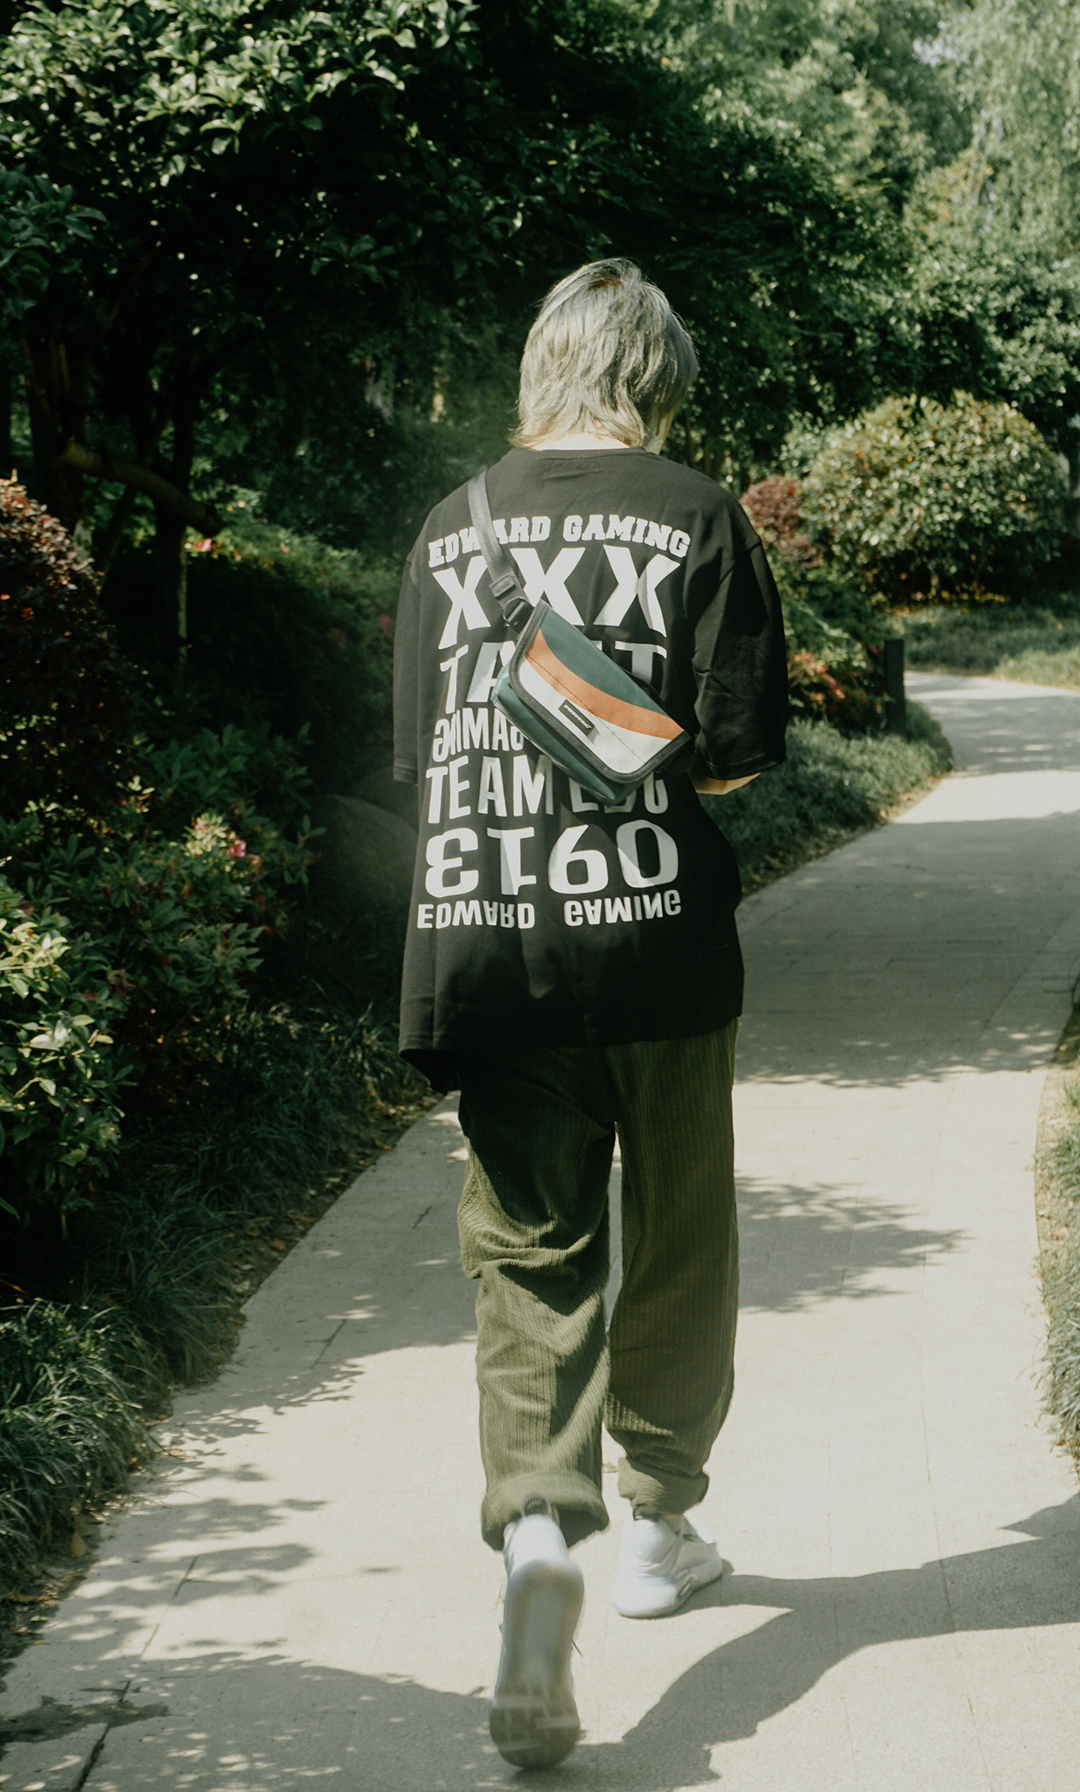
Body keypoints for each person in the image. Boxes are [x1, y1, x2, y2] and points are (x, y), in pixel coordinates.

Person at [391, 259, 788, 1769]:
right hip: (655, 950)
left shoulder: (449, 529)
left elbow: (423, 755)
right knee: (678, 1234)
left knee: (527, 1259)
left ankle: (538, 1563)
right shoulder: (698, 513)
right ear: (655, 376)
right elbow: (729, 759)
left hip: (486, 943)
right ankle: (659, 1531)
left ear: (542, 364)